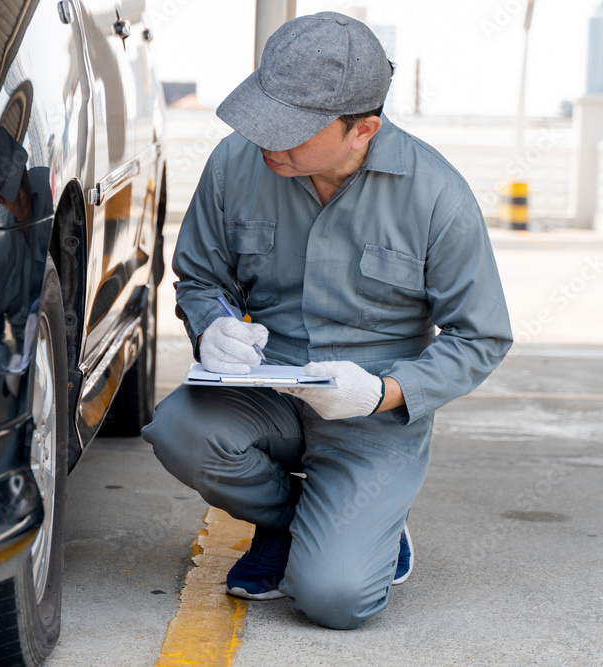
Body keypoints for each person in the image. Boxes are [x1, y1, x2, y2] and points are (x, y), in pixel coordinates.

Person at [141, 12, 512, 630]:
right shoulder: (236, 166)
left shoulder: (437, 195)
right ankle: (293, 522)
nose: (268, 144)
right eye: (263, 120)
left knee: (335, 601)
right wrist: (213, 326)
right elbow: (200, 279)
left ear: (363, 129)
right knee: (178, 429)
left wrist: (384, 392)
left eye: (290, 132)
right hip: (267, 389)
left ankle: (361, 529)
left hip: (372, 413)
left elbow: (482, 336)